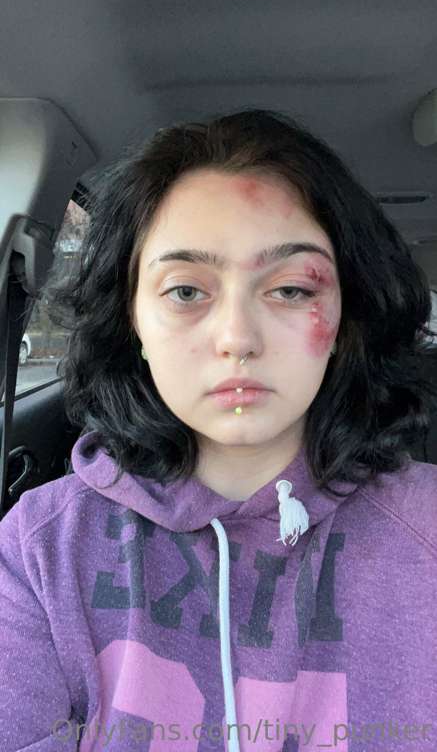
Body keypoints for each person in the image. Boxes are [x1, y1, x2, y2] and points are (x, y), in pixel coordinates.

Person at [0, 108, 437, 752]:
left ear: (345, 317)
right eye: (185, 291)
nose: (237, 337)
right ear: (133, 322)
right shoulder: (38, 551)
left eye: (291, 289)